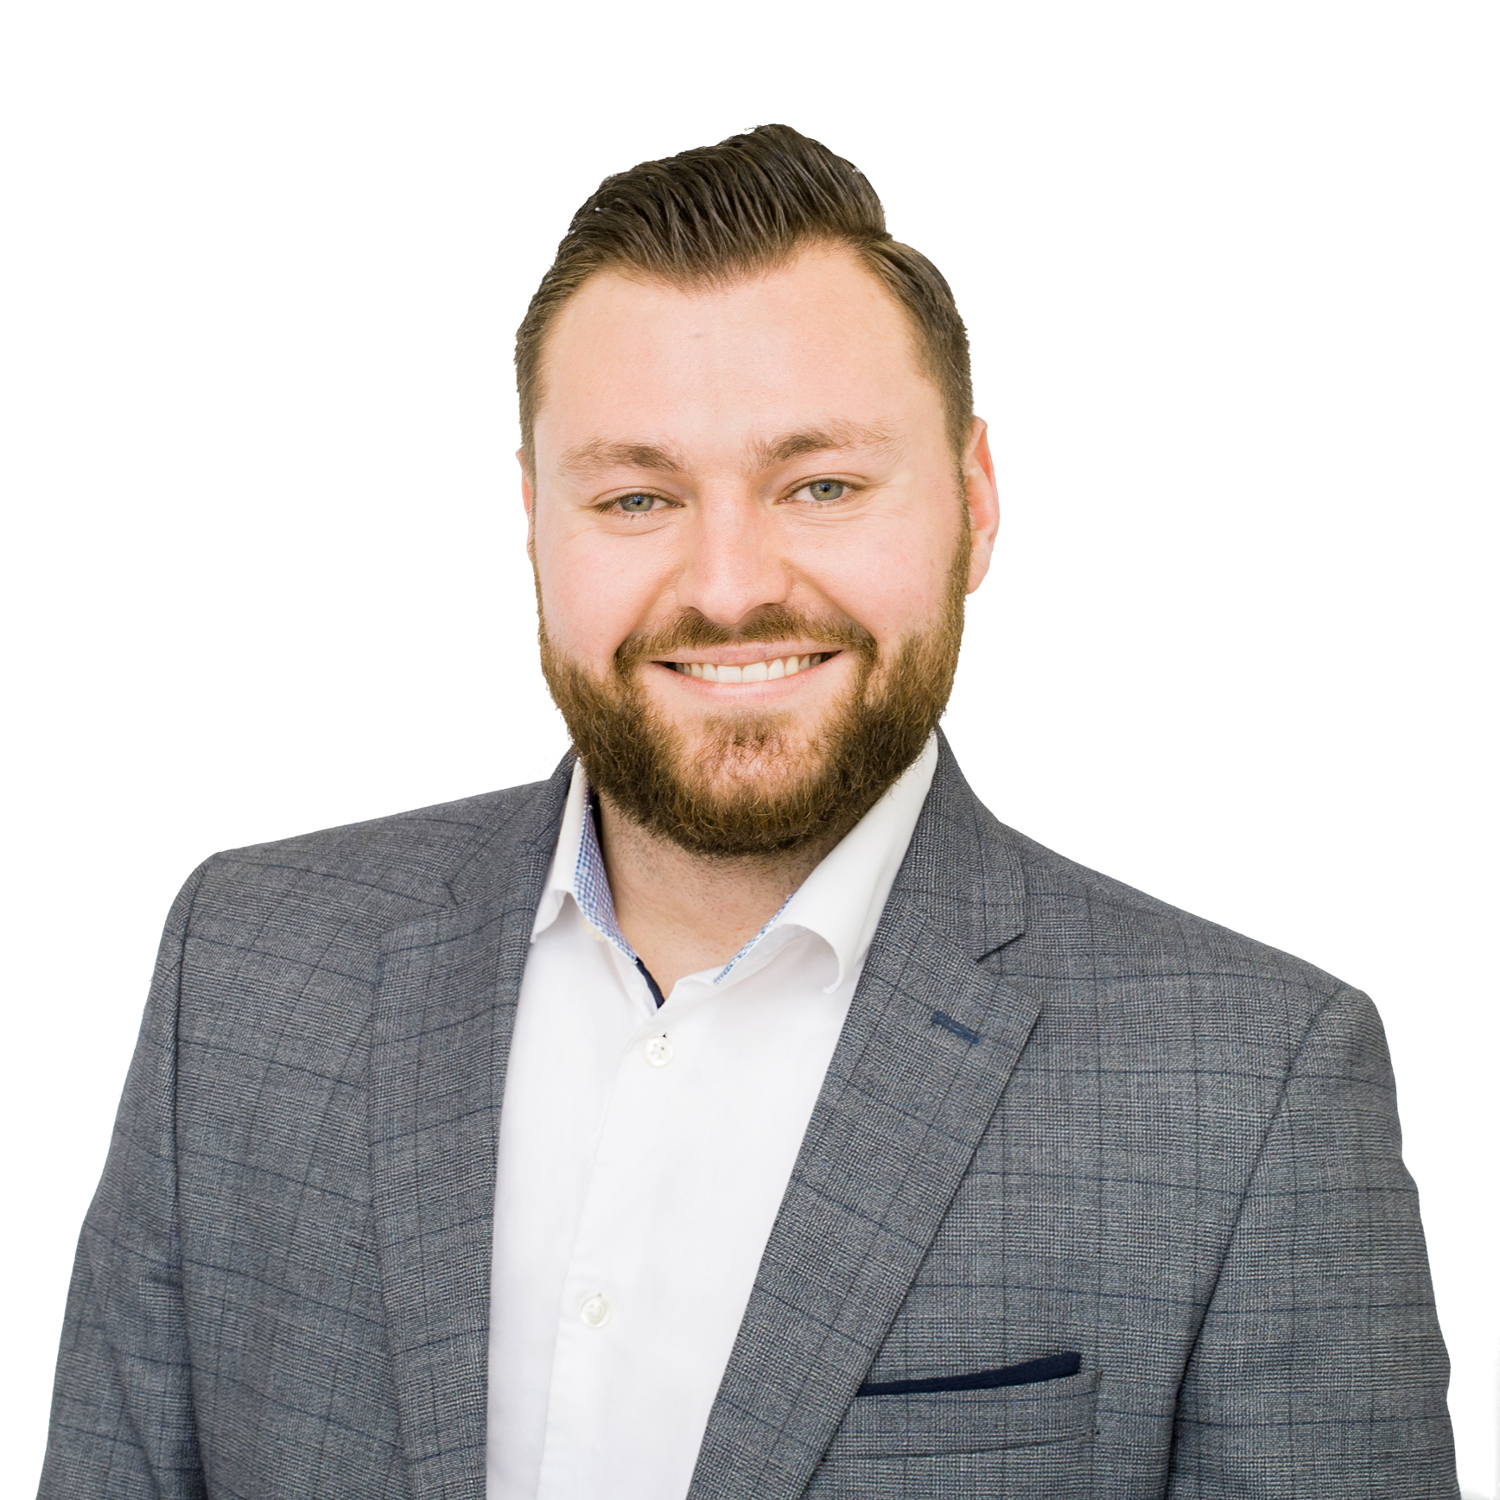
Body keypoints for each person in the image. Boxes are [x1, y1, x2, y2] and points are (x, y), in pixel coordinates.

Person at [40, 124, 1467, 1499]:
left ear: (976, 500)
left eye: (822, 483)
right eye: (637, 498)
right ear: (532, 516)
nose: (729, 587)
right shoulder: (245, 963)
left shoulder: (1258, 1086)